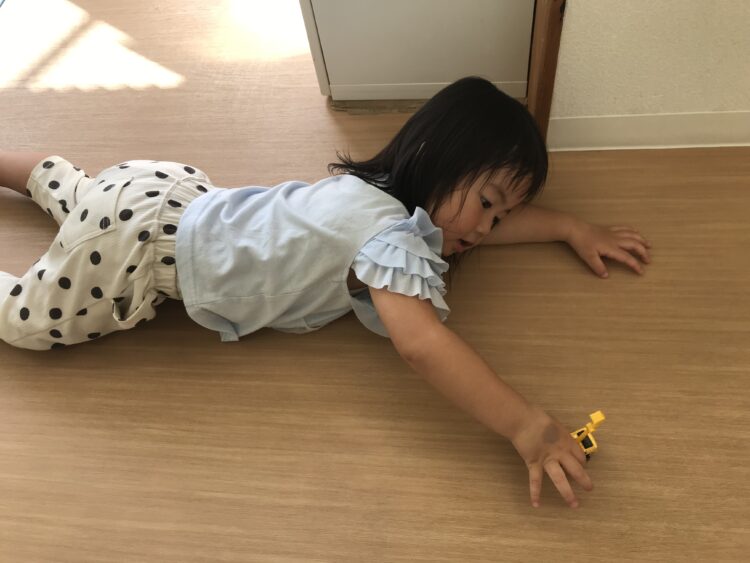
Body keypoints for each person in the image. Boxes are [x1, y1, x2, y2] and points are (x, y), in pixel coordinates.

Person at [0, 76, 650, 508]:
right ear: (437, 155)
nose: (485, 230)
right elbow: (422, 345)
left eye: (500, 216)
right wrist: (529, 427)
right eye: (487, 203)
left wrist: (569, 228)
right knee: (24, 320)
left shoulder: (379, 192)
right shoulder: (387, 238)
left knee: (79, 192)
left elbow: (481, 228)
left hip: (161, 193)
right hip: (137, 251)